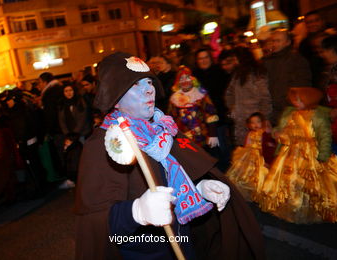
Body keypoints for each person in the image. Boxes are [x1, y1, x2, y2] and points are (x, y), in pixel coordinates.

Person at [74, 52, 265, 260]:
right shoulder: (102, 143)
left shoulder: (161, 129)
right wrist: (136, 211)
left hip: (182, 242)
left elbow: (170, 179)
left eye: (149, 82)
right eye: (135, 86)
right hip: (144, 252)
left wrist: (198, 189)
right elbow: (95, 220)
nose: (149, 90)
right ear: (115, 99)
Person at [256, 87, 337, 224]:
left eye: (299, 100)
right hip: (290, 152)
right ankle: (291, 206)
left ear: (308, 100)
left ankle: (310, 208)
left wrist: (323, 155)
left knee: (310, 182)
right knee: (289, 180)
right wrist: (276, 133)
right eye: (294, 100)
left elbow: (325, 136)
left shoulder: (317, 116)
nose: (296, 103)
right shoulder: (290, 113)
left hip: (310, 153)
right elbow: (282, 129)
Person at [225, 47, 272, 146]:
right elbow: (229, 93)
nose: (234, 62)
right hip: (241, 119)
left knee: (258, 148)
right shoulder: (238, 74)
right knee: (245, 148)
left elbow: (264, 96)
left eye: (235, 59)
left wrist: (264, 117)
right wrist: (233, 108)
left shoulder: (257, 73)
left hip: (256, 120)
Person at [263, 29, 312, 123]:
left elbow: (303, 84)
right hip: (271, 109)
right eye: (273, 41)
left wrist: (291, 103)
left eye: (278, 41)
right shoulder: (267, 61)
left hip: (289, 108)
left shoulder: (297, 60)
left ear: (287, 42)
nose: (274, 44)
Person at [226, 112, 276, 201]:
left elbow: (268, 145)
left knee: (260, 172)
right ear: (249, 125)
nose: (255, 124)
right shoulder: (250, 133)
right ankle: (244, 187)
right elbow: (247, 144)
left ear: (263, 122)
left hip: (260, 155)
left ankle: (260, 189)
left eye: (258, 122)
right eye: (252, 122)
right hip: (249, 154)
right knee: (244, 171)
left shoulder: (264, 133)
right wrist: (244, 154)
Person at [168, 66, 220, 150]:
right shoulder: (174, 98)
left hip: (202, 136)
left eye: (187, 77)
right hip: (183, 138)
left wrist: (213, 134)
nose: (185, 81)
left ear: (193, 79)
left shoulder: (200, 94)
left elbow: (211, 114)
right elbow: (171, 118)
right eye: (181, 79)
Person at [319, 35, 337, 161]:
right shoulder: (332, 69)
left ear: (332, 50)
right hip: (336, 123)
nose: (322, 55)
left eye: (324, 51)